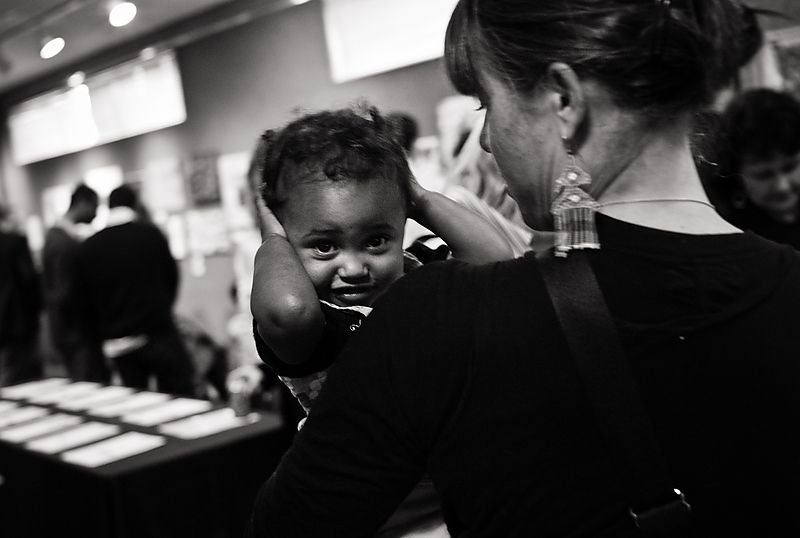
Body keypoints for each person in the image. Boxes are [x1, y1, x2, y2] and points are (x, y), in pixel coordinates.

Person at [248, 1, 800, 537]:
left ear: (564, 99)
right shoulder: (788, 282)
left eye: (486, 104)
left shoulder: (438, 319)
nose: (486, 141)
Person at [248, 105, 515, 537]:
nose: (354, 268)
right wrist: (272, 233)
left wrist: (418, 197)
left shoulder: (422, 271)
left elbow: (499, 267)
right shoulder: (323, 323)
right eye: (324, 246)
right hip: (375, 508)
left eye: (375, 241)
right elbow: (288, 312)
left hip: (461, 488)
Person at [73, 184, 195, 395]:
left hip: (118, 343)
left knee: (136, 400)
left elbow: (84, 301)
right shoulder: (151, 235)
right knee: (178, 398)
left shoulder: (88, 247)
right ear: (135, 204)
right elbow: (171, 278)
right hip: (158, 334)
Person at [713, 88, 800, 248]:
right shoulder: (730, 233)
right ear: (737, 175)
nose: (783, 186)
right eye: (763, 175)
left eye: (790, 167)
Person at [41, 183, 106, 381]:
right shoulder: (63, 243)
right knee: (89, 382)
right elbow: (65, 292)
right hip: (76, 332)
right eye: (95, 206)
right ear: (82, 203)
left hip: (69, 330)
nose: (96, 213)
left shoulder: (57, 237)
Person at [0, 205, 42, 386]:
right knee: (23, 373)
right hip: (17, 319)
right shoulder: (15, 242)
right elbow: (28, 280)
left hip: (8, 319)